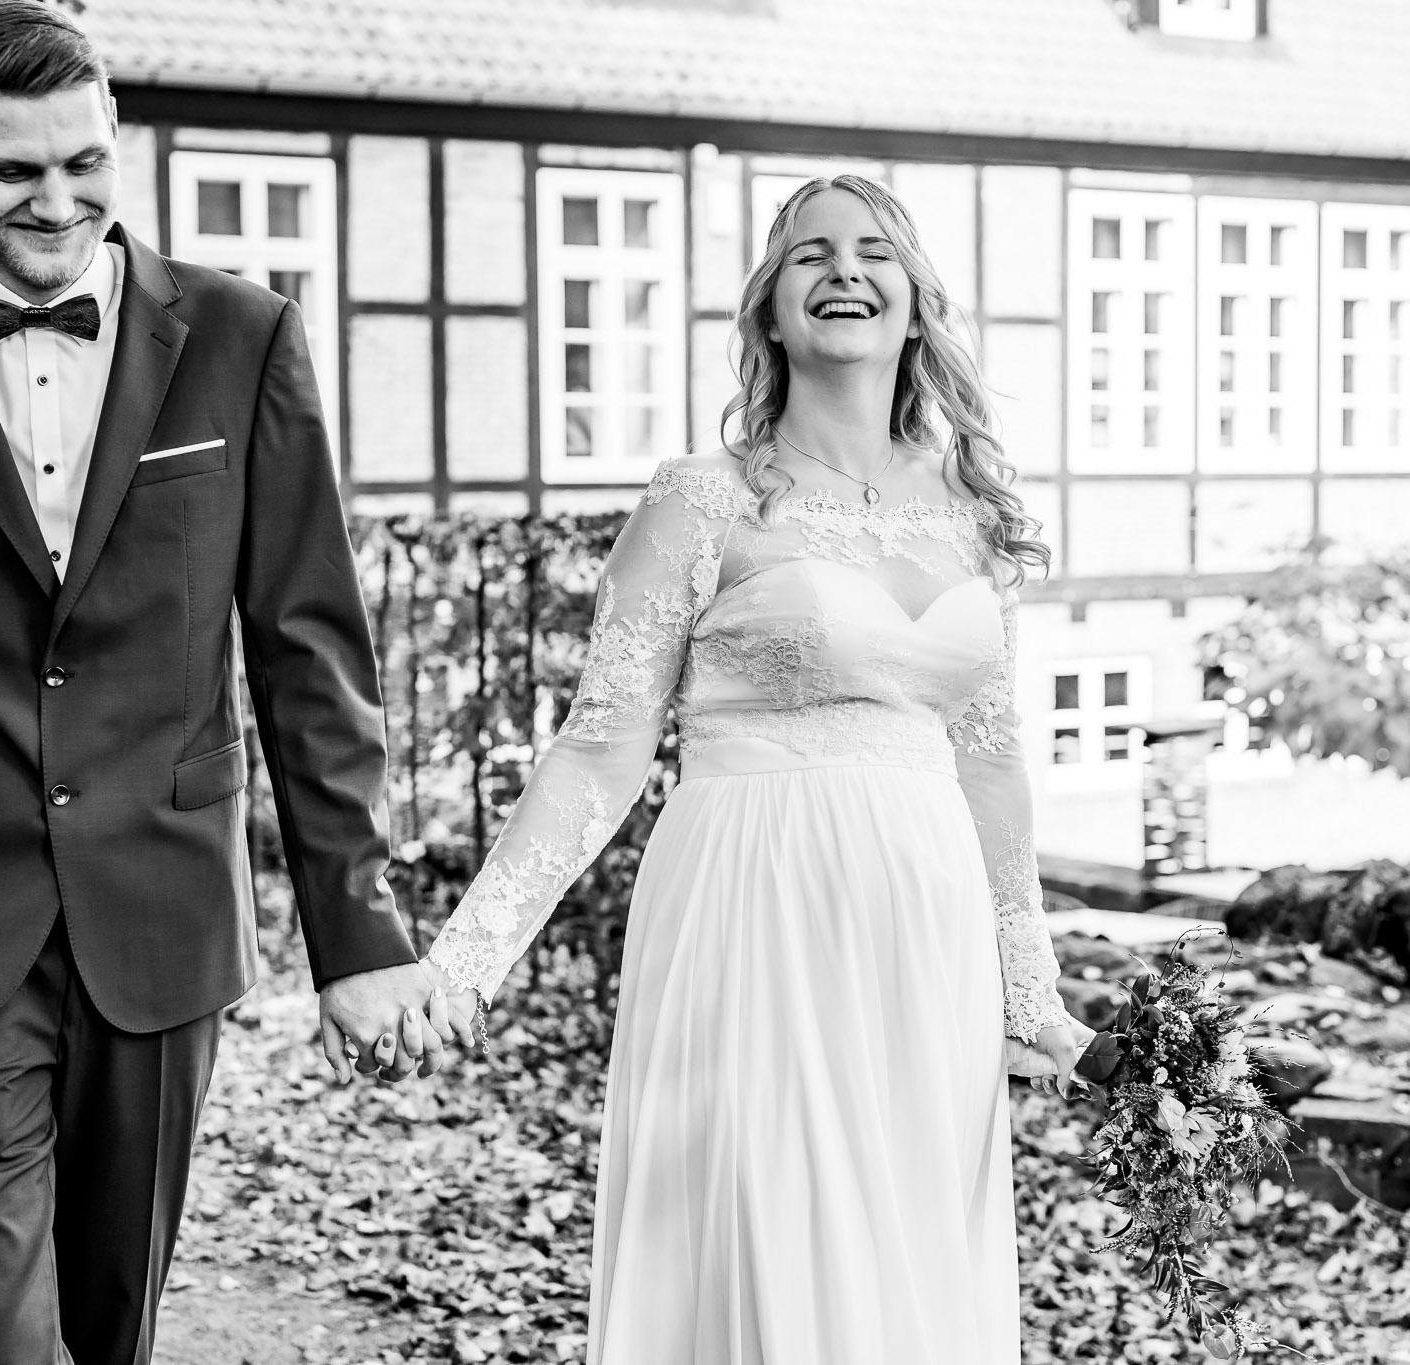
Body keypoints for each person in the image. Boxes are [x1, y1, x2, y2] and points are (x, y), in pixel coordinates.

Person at [0, 5, 447, 1361]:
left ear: (117, 138)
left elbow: (309, 654)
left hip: (163, 910)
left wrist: (358, 937)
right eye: (15, 170)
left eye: (85, 163)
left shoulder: (245, 336)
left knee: (111, 1322)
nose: (57, 201)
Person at [419, 174, 1095, 1362]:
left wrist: (1027, 991)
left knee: (907, 1264)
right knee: (769, 1232)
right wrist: (466, 963)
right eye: (808, 255)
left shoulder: (975, 514)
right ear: (769, 311)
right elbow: (598, 749)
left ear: (914, 302)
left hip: (924, 939)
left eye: (873, 250)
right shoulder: (702, 498)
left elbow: (989, 767)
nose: (844, 271)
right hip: (753, 906)